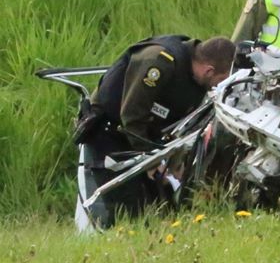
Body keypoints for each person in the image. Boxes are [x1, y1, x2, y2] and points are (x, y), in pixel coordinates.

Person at [74, 35, 236, 228]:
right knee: (128, 211)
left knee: (164, 207)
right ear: (209, 71)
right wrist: (151, 161)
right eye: (220, 81)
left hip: (145, 140)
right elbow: (131, 115)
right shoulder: (159, 61)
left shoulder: (197, 81)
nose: (218, 87)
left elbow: (181, 125)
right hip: (111, 134)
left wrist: (175, 162)